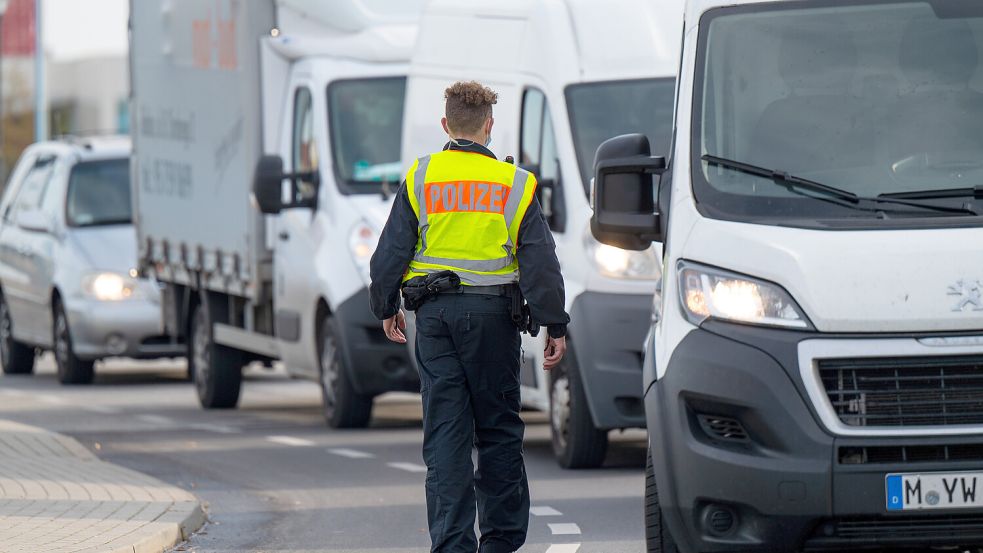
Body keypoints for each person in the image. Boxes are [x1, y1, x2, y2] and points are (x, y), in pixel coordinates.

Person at [369, 80, 570, 553]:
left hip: (435, 320)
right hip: (494, 319)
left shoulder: (422, 177)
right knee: (499, 431)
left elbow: (391, 251)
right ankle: (499, 542)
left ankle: (453, 545)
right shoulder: (513, 183)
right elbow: (540, 259)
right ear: (489, 126)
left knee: (446, 436)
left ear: (445, 125)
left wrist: (386, 306)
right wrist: (554, 323)